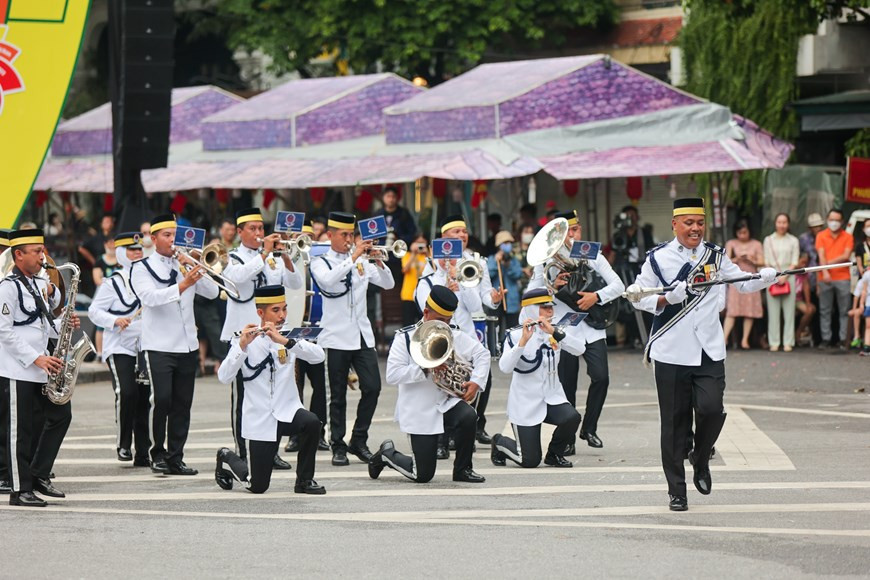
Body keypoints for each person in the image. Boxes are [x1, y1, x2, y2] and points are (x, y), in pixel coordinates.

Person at [626, 197, 777, 511]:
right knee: (674, 423)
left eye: (699, 223)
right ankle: (676, 491)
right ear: (675, 225)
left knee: (711, 409)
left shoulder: (716, 255)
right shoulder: (658, 258)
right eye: (689, 223)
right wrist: (668, 297)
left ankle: (700, 456)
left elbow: (741, 283)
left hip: (709, 348)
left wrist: (764, 278)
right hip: (671, 350)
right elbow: (638, 296)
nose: (695, 229)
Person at [367, 285, 490, 484]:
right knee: (423, 475)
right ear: (426, 312)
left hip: (445, 402)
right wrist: (425, 368)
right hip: (419, 409)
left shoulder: (452, 334)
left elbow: (482, 354)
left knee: (469, 416)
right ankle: (387, 454)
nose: (445, 326)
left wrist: (476, 381)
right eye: (441, 320)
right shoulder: (405, 338)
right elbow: (392, 375)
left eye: (449, 321)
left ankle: (463, 469)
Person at [129, 214, 219, 475]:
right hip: (158, 344)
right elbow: (151, 298)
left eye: (174, 235)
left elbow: (213, 294)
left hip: (187, 344)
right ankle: (156, 452)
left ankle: (176, 456)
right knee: (162, 400)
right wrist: (184, 284)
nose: (172, 241)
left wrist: (197, 268)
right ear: (154, 238)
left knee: (182, 403)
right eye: (166, 235)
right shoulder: (141, 268)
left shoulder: (185, 264)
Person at [214, 286, 326, 495]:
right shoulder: (243, 338)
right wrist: (242, 347)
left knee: (312, 422)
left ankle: (304, 480)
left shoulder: (288, 336)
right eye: (276, 310)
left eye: (284, 309)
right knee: (257, 486)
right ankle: (226, 457)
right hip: (261, 417)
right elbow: (224, 376)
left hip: (287, 410)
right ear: (260, 313)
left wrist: (286, 342)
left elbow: (318, 356)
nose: (282, 315)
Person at [527, 209, 624, 452]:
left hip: (592, 326)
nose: (573, 234)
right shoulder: (545, 261)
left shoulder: (591, 254)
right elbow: (531, 295)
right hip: (565, 328)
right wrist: (550, 286)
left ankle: (589, 428)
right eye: (568, 231)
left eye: (576, 229)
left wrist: (596, 296)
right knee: (567, 384)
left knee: (601, 377)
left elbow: (618, 285)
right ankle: (567, 439)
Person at [220, 208, 303, 471]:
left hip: (272, 336)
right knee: (244, 398)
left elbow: (296, 283)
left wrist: (287, 258)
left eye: (261, 228)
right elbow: (236, 278)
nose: (258, 233)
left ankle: (271, 451)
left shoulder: (274, 258)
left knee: (276, 394)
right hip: (245, 336)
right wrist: (264, 253)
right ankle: (242, 452)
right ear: (240, 232)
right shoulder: (232, 258)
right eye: (253, 229)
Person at [308, 212, 395, 466]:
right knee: (337, 395)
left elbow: (388, 283)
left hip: (362, 335)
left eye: (350, 235)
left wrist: (377, 260)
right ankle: (338, 444)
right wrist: (354, 256)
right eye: (344, 235)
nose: (348, 239)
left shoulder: (361, 261)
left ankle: (359, 439)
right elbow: (327, 281)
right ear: (331, 236)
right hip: (334, 336)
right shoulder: (321, 261)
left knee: (373, 387)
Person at [0, 229, 79, 506]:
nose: (42, 256)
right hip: (17, 369)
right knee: (21, 432)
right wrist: (36, 357)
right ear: (18, 255)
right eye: (36, 251)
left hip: (41, 368)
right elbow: (4, 331)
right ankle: (20, 490)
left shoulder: (36, 284)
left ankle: (39, 474)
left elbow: (41, 325)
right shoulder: (8, 287)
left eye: (42, 249)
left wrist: (63, 324)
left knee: (60, 415)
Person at [432, 214, 505, 444]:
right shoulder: (432, 262)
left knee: (482, 376)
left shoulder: (476, 261)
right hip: (442, 329)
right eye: (456, 232)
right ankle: (447, 432)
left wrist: (493, 299)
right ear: (444, 237)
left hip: (468, 328)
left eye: (464, 231)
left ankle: (476, 424)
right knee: (444, 378)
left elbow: (479, 301)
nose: (462, 235)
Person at [491, 288, 583, 469]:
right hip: (525, 404)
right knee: (529, 461)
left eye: (551, 307)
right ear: (532, 309)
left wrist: (555, 333)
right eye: (544, 307)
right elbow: (504, 367)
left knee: (572, 417)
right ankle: (499, 443)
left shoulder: (555, 331)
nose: (550, 312)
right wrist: (522, 343)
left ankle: (554, 455)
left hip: (551, 399)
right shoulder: (515, 334)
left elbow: (580, 349)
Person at [87, 232, 150, 465]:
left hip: (145, 345)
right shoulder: (113, 282)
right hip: (119, 346)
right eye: (132, 250)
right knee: (127, 392)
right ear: (122, 253)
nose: (137, 253)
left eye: (140, 249)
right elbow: (94, 311)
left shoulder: (150, 279)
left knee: (145, 398)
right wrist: (115, 320)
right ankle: (124, 444)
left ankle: (143, 452)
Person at [286, 220, 330, 454]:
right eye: (301, 236)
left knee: (321, 387)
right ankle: (294, 434)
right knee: (294, 387)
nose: (306, 242)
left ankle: (319, 432)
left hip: (317, 332)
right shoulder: (287, 260)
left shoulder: (322, 260)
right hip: (292, 333)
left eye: (309, 237)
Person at [815, 209, 854, 352]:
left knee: (844, 311)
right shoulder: (821, 235)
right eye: (832, 219)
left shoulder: (847, 237)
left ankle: (843, 339)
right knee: (825, 310)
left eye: (837, 220)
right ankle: (826, 339)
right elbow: (821, 254)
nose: (834, 223)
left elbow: (846, 255)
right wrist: (825, 271)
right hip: (824, 277)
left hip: (843, 277)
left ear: (842, 222)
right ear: (827, 219)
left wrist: (828, 264)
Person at [722, 220, 764, 350]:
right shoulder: (731, 243)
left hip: (751, 277)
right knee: (732, 310)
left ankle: (745, 340)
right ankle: (724, 339)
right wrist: (737, 259)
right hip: (735, 278)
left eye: (744, 232)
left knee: (749, 311)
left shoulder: (757, 244)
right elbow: (725, 261)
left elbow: (762, 262)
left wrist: (751, 260)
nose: (742, 235)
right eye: (739, 232)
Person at [763, 213, 800, 352]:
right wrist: (775, 276)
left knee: (789, 312)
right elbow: (766, 260)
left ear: (788, 224)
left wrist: (785, 275)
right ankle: (774, 341)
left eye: (784, 222)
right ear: (775, 223)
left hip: (789, 277)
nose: (782, 225)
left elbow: (795, 261)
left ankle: (788, 342)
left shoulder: (793, 240)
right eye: (779, 222)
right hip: (771, 277)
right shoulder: (768, 240)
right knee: (773, 312)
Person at [486, 231, 523, 342]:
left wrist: (508, 265)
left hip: (511, 299)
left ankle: (512, 345)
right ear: (499, 245)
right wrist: (496, 262)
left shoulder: (514, 260)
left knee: (513, 327)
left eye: (509, 242)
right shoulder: (492, 259)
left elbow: (517, 274)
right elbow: (488, 274)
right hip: (497, 298)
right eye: (505, 242)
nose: (508, 245)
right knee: (495, 326)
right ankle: (495, 347)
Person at [400, 233, 429, 327]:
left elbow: (435, 269)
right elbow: (405, 269)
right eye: (418, 243)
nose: (420, 246)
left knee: (425, 324)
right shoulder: (407, 255)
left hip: (425, 295)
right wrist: (413, 253)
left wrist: (427, 253)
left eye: (422, 243)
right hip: (408, 295)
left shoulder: (429, 256)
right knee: (408, 325)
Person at [794, 254, 817, 347]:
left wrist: (808, 303)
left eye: (806, 263)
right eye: (802, 262)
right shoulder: (789, 269)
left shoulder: (804, 273)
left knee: (810, 309)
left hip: (798, 300)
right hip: (787, 299)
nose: (804, 265)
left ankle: (798, 332)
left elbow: (806, 288)